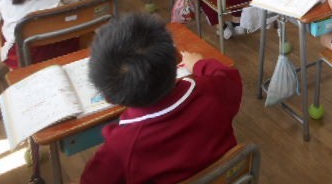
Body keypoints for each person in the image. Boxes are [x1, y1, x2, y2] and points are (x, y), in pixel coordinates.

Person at [81, 13, 243, 184]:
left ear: (108, 98)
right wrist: (198, 64)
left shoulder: (119, 150)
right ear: (176, 58)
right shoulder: (213, 91)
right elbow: (228, 74)